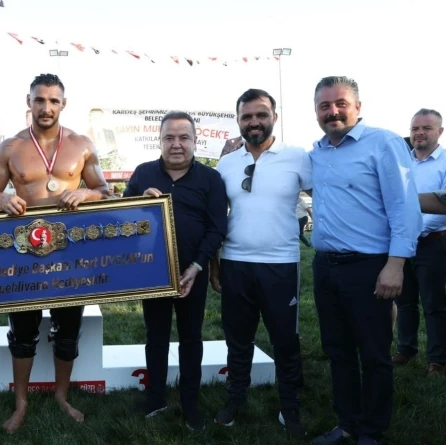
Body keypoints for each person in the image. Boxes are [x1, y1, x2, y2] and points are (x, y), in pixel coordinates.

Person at [0, 73, 110, 433]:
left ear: (63, 104)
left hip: (70, 254)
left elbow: (104, 191)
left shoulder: (82, 145)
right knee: (23, 332)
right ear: (29, 102)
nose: (46, 107)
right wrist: (2, 198)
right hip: (25, 254)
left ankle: (61, 396)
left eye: (53, 101)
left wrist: (84, 193)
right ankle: (20, 403)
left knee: (68, 330)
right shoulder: (10, 147)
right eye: (40, 100)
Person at [308, 76, 422, 445]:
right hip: (325, 267)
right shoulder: (316, 153)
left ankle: (372, 432)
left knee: (374, 355)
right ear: (316, 112)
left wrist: (395, 265)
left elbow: (405, 208)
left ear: (358, 107)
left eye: (340, 103)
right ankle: (347, 425)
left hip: (369, 268)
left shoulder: (383, 143)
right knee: (337, 352)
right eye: (325, 106)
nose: (333, 111)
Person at [211, 89, 311, 438]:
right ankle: (235, 398)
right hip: (235, 263)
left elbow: (327, 196)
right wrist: (214, 264)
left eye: (261, 115)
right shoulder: (227, 163)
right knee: (237, 340)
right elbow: (216, 216)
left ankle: (290, 405)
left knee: (285, 340)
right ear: (238, 120)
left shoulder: (298, 158)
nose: (254, 122)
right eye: (247, 116)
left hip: (281, 264)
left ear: (274, 118)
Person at [123, 111, 228, 431]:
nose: (177, 144)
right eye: (169, 137)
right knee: (155, 337)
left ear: (195, 141)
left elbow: (217, 228)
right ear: (160, 141)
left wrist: (197, 267)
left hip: (192, 272)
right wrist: (139, 203)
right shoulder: (143, 173)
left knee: (191, 338)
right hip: (153, 273)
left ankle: (190, 402)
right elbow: (121, 219)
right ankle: (155, 398)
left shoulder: (210, 179)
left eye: (184, 137)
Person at [393, 109, 446, 377]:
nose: (419, 133)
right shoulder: (400, 162)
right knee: (404, 300)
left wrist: (412, 226)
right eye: (415, 128)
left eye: (426, 128)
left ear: (440, 132)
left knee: (433, 303)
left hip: (433, 242)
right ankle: (406, 349)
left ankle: (437, 360)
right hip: (402, 242)